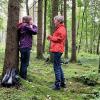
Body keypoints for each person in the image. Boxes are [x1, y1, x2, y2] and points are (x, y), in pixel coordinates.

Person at [47, 15, 67, 90]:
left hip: (58, 50)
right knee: (58, 66)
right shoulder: (60, 28)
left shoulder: (61, 29)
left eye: (55, 20)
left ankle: (57, 85)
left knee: (56, 67)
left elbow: (60, 39)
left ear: (58, 21)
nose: (54, 22)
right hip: (57, 49)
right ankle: (62, 83)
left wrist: (50, 37)